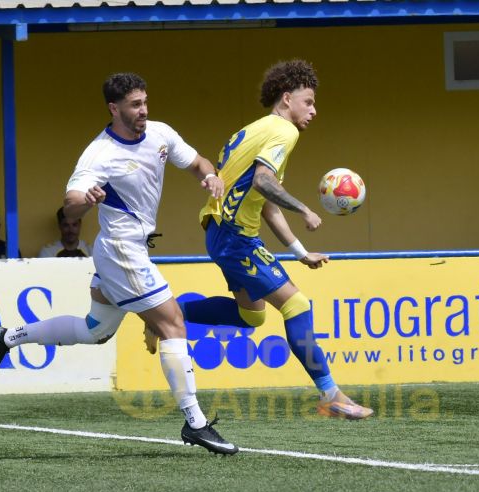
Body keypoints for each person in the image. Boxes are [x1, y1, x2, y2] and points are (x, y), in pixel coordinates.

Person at [0, 72, 237, 454]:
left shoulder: (160, 134)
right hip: (122, 249)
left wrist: (212, 178)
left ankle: (7, 337)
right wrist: (86, 200)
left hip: (124, 248)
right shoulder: (99, 153)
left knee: (95, 330)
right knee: (173, 324)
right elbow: (70, 203)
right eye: (135, 105)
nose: (144, 111)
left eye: (145, 102)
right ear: (113, 108)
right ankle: (195, 422)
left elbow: (198, 162)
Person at [147, 59, 373, 420]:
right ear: (287, 99)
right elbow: (264, 183)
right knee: (297, 305)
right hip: (235, 237)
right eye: (308, 101)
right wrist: (304, 209)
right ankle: (332, 395)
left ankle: (163, 315)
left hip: (224, 233)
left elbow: (264, 204)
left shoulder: (253, 131)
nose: (314, 110)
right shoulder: (285, 132)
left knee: (251, 317)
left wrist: (299, 252)